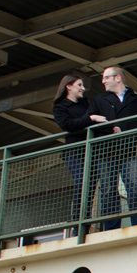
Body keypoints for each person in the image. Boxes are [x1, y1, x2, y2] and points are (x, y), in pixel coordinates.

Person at [90, 66, 137, 229]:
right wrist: (109, 129)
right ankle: (111, 227)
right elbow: (90, 124)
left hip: (130, 151)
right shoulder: (99, 100)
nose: (103, 81)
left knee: (135, 188)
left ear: (118, 78)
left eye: (106, 78)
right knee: (108, 190)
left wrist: (131, 137)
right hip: (106, 152)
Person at [52, 74, 94, 233]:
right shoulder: (60, 107)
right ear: (69, 86)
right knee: (82, 183)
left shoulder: (86, 103)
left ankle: (85, 224)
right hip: (75, 151)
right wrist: (90, 119)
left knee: (90, 186)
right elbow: (67, 125)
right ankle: (79, 225)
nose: (83, 88)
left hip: (92, 150)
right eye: (80, 85)